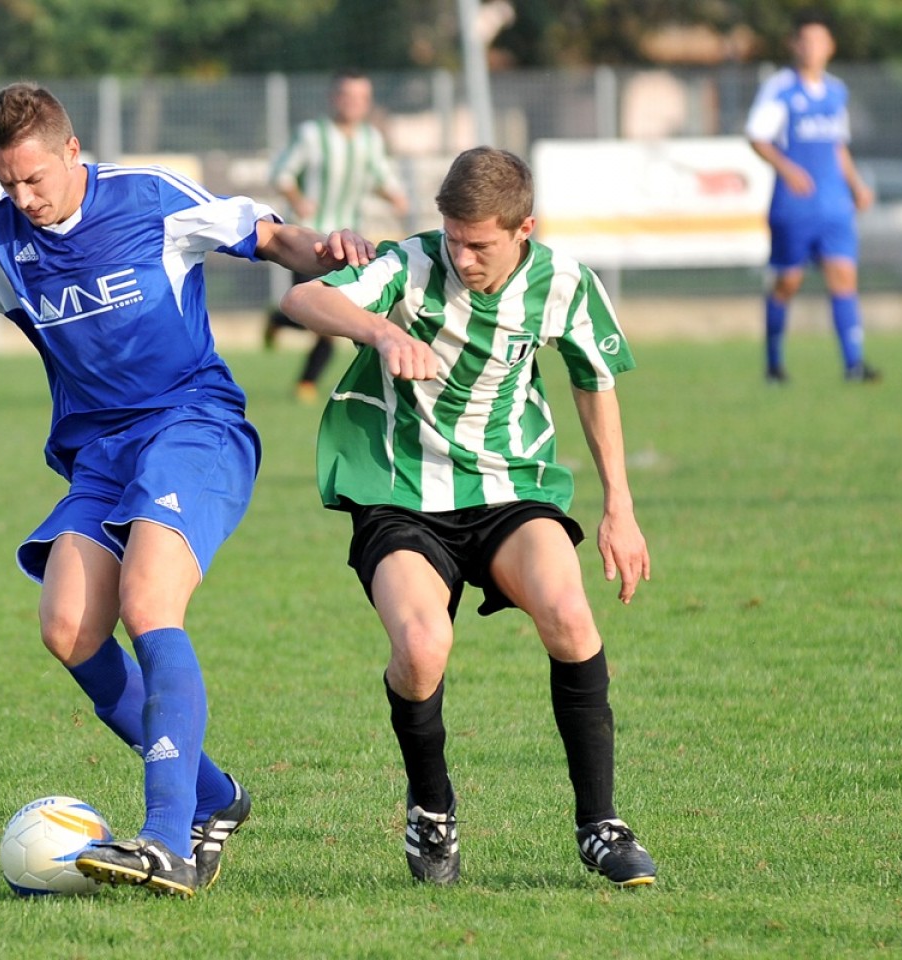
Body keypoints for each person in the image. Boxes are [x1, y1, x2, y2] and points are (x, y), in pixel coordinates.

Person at [0, 82, 375, 899]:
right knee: (67, 628)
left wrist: (328, 250)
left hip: (191, 425)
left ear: (72, 153)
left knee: (149, 601)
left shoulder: (148, 199)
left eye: (34, 180)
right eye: (6, 184)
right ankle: (212, 795)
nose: (23, 198)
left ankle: (169, 842)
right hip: (99, 455)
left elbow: (269, 238)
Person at [279, 147, 657, 888]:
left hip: (510, 488)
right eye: (453, 237)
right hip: (398, 491)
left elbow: (593, 382)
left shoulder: (565, 283)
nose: (462, 256)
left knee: (571, 617)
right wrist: (382, 331)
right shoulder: (413, 265)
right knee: (422, 648)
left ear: (525, 230)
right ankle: (431, 813)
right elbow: (302, 300)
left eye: (480, 243)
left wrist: (621, 506)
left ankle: (601, 827)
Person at [746, 10, 879, 384]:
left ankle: (854, 365)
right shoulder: (781, 89)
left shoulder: (837, 91)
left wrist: (857, 185)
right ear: (794, 45)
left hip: (834, 203)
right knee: (787, 283)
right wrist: (789, 170)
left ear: (830, 46)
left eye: (820, 40)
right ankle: (774, 365)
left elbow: (838, 145)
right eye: (805, 40)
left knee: (843, 277)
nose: (813, 48)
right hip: (794, 206)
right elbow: (757, 136)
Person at [265, 70, 410, 402]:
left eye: (361, 97)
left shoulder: (371, 139)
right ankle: (279, 322)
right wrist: (299, 199)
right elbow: (280, 173)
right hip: (312, 240)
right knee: (310, 312)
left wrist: (397, 198)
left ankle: (306, 383)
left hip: (351, 244)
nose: (353, 103)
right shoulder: (312, 135)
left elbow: (382, 178)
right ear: (334, 98)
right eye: (347, 96)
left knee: (335, 312)